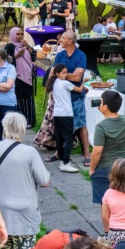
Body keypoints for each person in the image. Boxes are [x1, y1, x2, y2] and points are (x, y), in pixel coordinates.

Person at [0, 111, 51, 249]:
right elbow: (44, 181)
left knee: (6, 246)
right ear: (22, 129)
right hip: (24, 210)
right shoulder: (29, 152)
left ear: (5, 127)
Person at [53, 31, 91, 164]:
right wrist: (69, 74)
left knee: (81, 124)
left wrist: (62, 74)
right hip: (61, 98)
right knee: (60, 127)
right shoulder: (59, 55)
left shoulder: (81, 56)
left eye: (63, 38)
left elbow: (78, 77)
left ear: (70, 41)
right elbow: (53, 73)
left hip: (75, 97)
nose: (60, 40)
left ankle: (87, 153)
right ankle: (59, 152)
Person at [89, 90, 125, 204]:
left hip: (107, 169)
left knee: (107, 205)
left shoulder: (101, 127)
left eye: (101, 102)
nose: (99, 104)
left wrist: (92, 169)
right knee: (123, 201)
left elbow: (97, 151)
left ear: (105, 107)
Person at [49, 64, 84, 173]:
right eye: (63, 73)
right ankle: (66, 162)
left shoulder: (53, 83)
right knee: (68, 137)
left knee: (59, 138)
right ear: (57, 73)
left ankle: (61, 160)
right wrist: (84, 80)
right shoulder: (65, 84)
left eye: (66, 72)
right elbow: (79, 89)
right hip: (66, 114)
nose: (66, 75)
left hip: (57, 113)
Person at [8, 27, 36, 127]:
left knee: (29, 98)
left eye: (21, 34)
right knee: (20, 99)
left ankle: (30, 120)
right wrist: (17, 55)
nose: (20, 36)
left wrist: (28, 47)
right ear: (13, 35)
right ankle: (21, 121)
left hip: (28, 75)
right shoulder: (9, 47)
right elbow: (6, 61)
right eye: (17, 34)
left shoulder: (25, 46)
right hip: (18, 77)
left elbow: (34, 57)